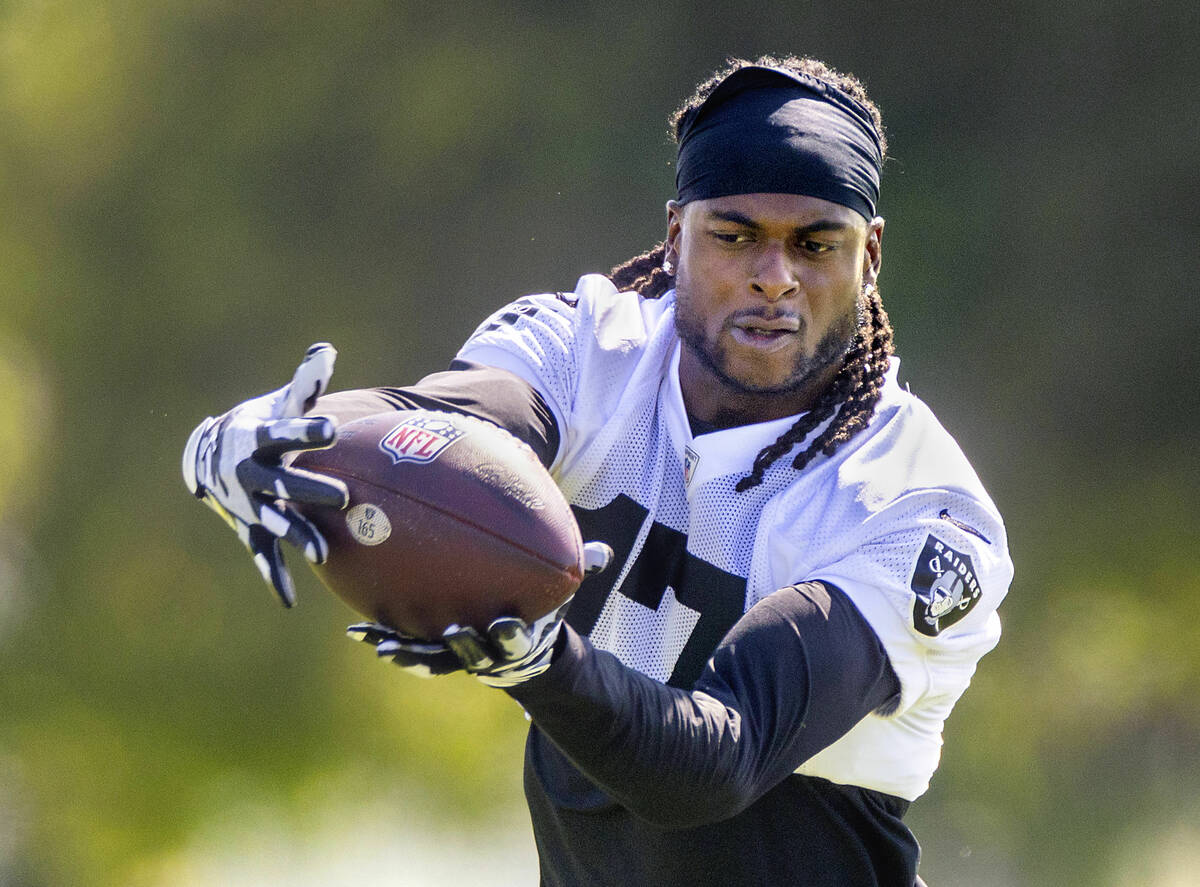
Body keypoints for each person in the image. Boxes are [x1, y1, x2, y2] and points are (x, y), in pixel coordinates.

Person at [183, 55, 1013, 886]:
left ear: (869, 256)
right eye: (734, 236)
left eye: (814, 243)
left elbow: (717, 762)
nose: (774, 277)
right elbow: (446, 429)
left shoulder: (916, 507)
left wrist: (542, 663)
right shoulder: (588, 349)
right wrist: (273, 436)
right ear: (674, 234)